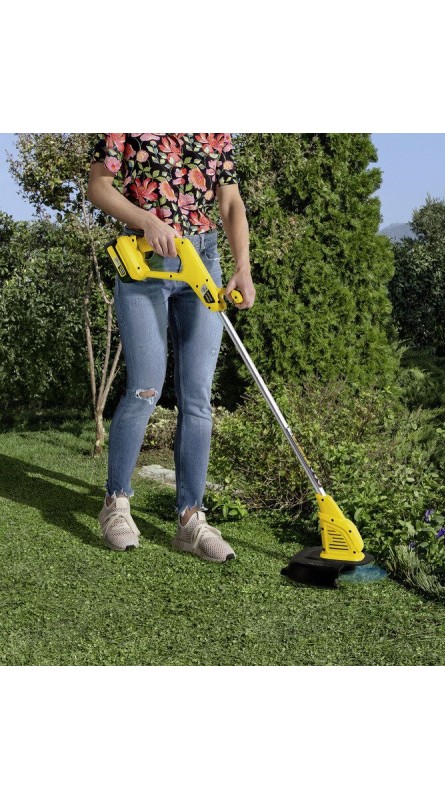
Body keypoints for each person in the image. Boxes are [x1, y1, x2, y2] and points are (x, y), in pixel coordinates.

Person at [87, 133, 255, 563]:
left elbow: (230, 202)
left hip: (203, 258)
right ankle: (116, 503)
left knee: (197, 396)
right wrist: (147, 220)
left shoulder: (215, 130)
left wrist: (242, 266)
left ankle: (191, 519)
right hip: (144, 260)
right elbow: (99, 188)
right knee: (145, 387)